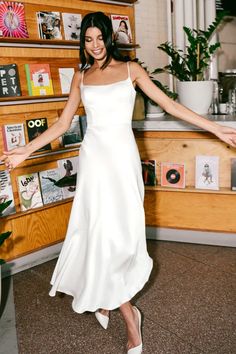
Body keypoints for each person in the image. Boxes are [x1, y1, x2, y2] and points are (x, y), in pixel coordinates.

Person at [1, 11, 236, 354]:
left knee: (119, 238)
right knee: (99, 235)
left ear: (109, 37)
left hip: (122, 163)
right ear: (82, 42)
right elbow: (63, 124)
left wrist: (216, 128)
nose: (94, 45)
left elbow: (169, 104)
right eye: (87, 39)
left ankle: (109, 298)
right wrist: (25, 150)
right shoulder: (81, 77)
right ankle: (130, 317)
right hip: (94, 162)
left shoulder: (131, 70)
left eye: (99, 38)